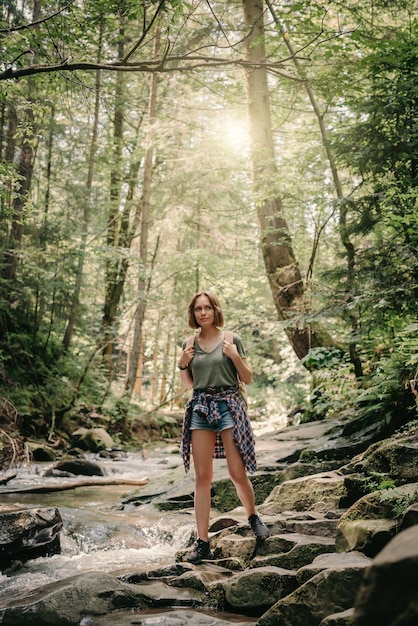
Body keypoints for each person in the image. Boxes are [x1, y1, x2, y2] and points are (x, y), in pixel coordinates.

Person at [177, 290, 269, 564]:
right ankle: (202, 542)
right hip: (201, 406)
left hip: (229, 403)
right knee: (202, 478)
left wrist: (234, 356)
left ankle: (253, 517)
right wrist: (182, 364)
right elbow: (190, 384)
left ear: (215, 310)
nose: (202, 313)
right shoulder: (189, 342)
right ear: (193, 314)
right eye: (197, 309)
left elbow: (248, 378)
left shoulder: (231, 339)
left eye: (207, 308)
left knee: (236, 472)